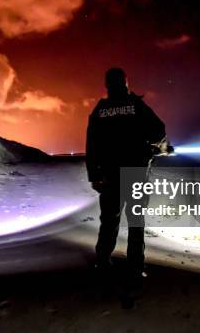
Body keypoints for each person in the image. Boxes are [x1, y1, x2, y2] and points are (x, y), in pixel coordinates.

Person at [86, 67, 166, 282]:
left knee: (109, 221)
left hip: (110, 175)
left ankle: (102, 261)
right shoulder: (136, 105)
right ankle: (135, 267)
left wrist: (93, 174)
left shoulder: (101, 109)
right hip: (136, 172)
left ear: (107, 85)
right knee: (136, 220)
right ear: (125, 82)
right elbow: (159, 129)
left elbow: (91, 144)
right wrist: (147, 144)